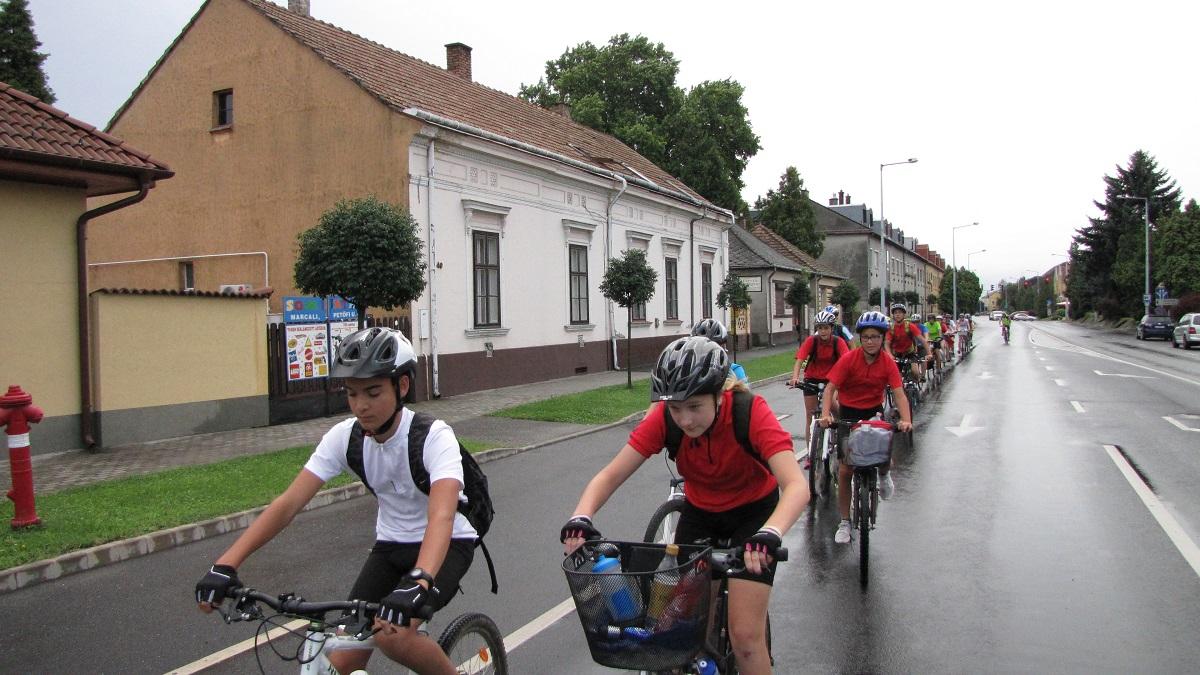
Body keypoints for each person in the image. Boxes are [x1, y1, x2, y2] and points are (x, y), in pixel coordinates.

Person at [194, 328, 477, 675]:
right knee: (341, 657)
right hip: (391, 546)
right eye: (352, 393)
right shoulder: (345, 438)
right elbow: (288, 503)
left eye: (373, 392)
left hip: (448, 545)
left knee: (393, 636)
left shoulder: (433, 437)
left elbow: (442, 515)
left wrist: (419, 582)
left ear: (402, 386)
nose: (360, 405)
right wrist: (225, 565)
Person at [562, 336, 808, 675]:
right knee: (681, 633)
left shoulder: (749, 412)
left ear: (719, 394)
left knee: (745, 638)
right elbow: (611, 474)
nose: (685, 420)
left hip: (754, 518)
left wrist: (770, 533)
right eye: (676, 408)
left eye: (694, 407)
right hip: (701, 514)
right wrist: (581, 516)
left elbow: (796, 486)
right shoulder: (666, 420)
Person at [819, 311, 913, 545]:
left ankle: (884, 474)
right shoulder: (849, 359)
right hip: (848, 413)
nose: (870, 341)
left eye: (875, 337)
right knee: (845, 470)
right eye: (866, 337)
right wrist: (825, 415)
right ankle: (844, 522)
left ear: (882, 338)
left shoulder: (887, 362)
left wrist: (906, 419)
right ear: (860, 338)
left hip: (873, 412)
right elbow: (830, 389)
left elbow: (899, 394)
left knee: (883, 446)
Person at [788, 309, 850, 435]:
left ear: (831, 328)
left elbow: (847, 362)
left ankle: (842, 430)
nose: (823, 331)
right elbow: (800, 360)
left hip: (832, 380)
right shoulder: (812, 340)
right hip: (812, 378)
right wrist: (795, 377)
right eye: (820, 328)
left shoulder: (838, 342)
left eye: (826, 328)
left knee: (833, 406)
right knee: (810, 416)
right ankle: (811, 446)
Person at [692, 318, 748, 384]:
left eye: (715, 346)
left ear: (724, 347)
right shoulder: (690, 373)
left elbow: (743, 389)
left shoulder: (735, 370)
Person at [884, 303, 928, 382]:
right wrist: (890, 355)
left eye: (900, 312)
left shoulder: (910, 326)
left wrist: (929, 353)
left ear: (904, 314)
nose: (898, 315)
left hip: (909, 353)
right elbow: (887, 344)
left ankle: (915, 384)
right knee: (896, 378)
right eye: (895, 313)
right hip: (897, 354)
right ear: (893, 315)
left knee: (915, 372)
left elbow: (922, 340)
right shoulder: (891, 328)